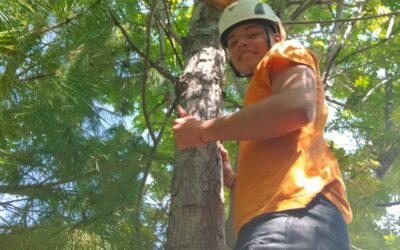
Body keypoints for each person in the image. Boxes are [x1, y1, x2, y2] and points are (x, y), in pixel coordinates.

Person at [173, 0, 352, 249]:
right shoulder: (261, 104)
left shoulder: (286, 50)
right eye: (233, 42)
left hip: (294, 213)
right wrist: (235, 180)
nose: (241, 43)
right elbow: (280, 160)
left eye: (252, 34)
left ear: (276, 37)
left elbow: (296, 107)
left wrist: (203, 131)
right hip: (279, 220)